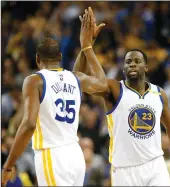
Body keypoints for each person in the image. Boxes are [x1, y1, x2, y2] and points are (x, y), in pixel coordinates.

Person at [73, 8, 170, 186]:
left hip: (155, 165)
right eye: (128, 62)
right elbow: (77, 79)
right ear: (124, 69)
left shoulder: (159, 94)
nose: (132, 64)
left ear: (146, 67)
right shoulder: (114, 88)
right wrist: (86, 48)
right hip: (124, 170)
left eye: (137, 61)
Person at [2, 8, 109, 186]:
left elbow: (29, 125)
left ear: (37, 59)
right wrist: (87, 48)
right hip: (76, 155)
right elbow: (103, 84)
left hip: (52, 155)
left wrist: (8, 165)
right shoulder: (74, 78)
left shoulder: (35, 81)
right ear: (59, 57)